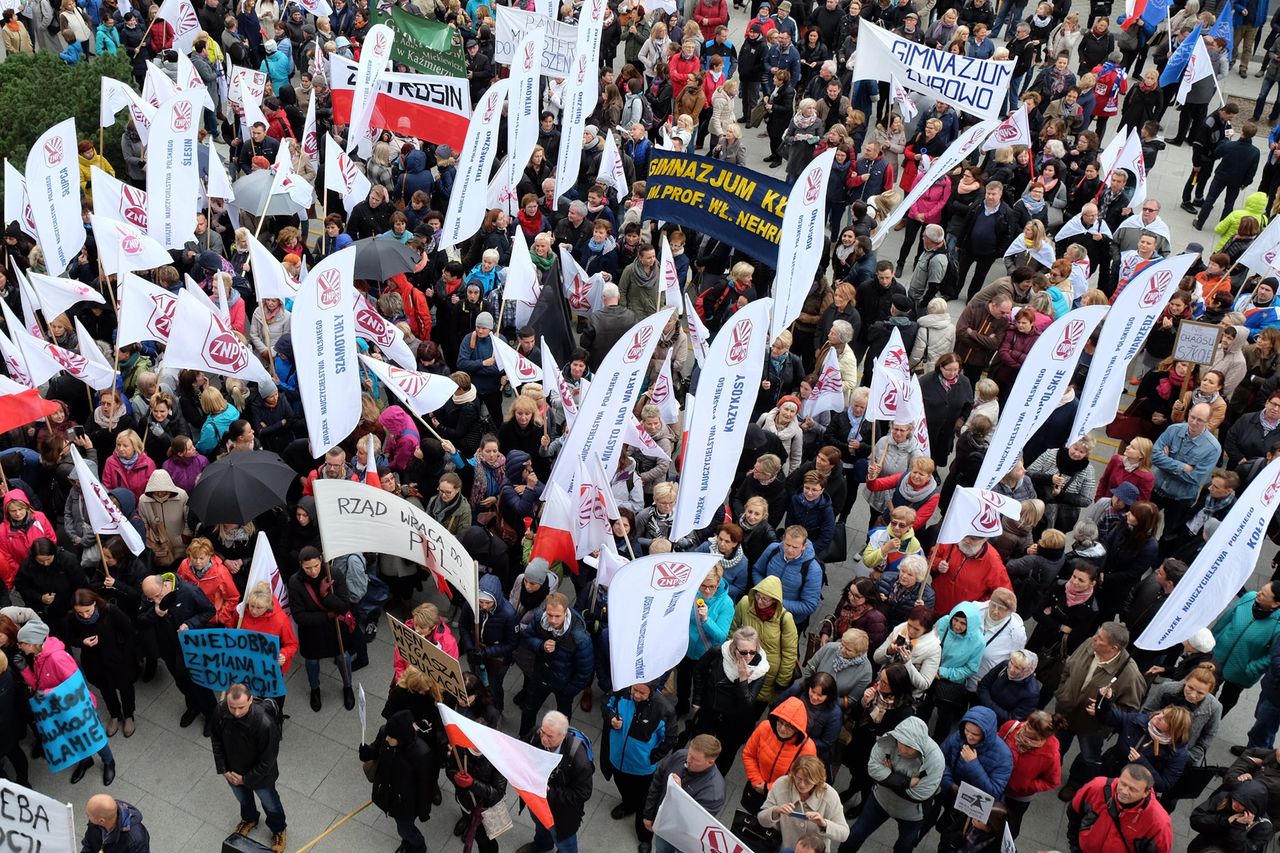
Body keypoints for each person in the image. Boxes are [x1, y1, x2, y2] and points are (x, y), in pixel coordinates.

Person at [16, 620, 116, 785]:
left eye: (22, 643)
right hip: (59, 708)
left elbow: (75, 686)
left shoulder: (57, 658)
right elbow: (38, 685)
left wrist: (46, 692)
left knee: (91, 736)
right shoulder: (37, 656)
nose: (20, 647)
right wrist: (25, 670)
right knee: (74, 736)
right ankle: (85, 760)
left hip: (77, 709)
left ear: (32, 643)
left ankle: (108, 761)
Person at [1055, 622, 1148, 799]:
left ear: (1113, 648)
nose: (1093, 639)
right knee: (1056, 745)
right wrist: (1063, 692)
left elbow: (1130, 711)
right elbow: (1068, 668)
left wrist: (1105, 710)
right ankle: (1049, 770)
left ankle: (1075, 783)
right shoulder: (1089, 645)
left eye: (1099, 639)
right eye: (1096, 634)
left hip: (1093, 727)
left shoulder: (1130, 675)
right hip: (1065, 712)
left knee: (1088, 757)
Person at [837, 716, 943, 853]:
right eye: (901, 743)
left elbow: (920, 794)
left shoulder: (935, 759)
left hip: (911, 814)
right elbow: (873, 769)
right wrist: (907, 782)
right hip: (881, 800)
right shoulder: (889, 739)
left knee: (904, 846)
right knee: (857, 833)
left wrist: (888, 775)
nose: (904, 750)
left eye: (910, 747)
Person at [210, 684, 287, 853]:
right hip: (232, 770)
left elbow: (268, 760)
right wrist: (224, 769)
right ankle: (249, 819)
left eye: (241, 707)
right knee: (243, 799)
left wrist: (245, 779)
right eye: (232, 707)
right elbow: (216, 740)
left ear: (251, 700)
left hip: (261, 777)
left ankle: (278, 828)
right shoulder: (220, 711)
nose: (236, 713)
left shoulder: (264, 723)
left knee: (270, 803)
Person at [139, 573, 218, 733]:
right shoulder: (149, 596)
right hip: (168, 646)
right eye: (151, 598)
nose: (155, 601)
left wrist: (189, 624)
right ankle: (193, 706)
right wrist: (154, 613)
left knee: (199, 680)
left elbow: (209, 611)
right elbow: (141, 620)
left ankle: (212, 714)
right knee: (181, 680)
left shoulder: (189, 592)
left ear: (165, 586)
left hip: (191, 646)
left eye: (158, 596)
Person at [603, 680, 676, 850]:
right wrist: (610, 717)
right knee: (623, 786)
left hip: (642, 769)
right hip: (617, 759)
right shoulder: (621, 691)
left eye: (642, 693)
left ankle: (644, 837)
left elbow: (670, 738)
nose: (636, 695)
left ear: (652, 691)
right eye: (634, 689)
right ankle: (628, 805)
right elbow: (606, 704)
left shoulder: (663, 710)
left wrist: (653, 757)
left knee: (645, 803)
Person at [518, 592, 595, 739]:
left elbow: (585, 670)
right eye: (550, 615)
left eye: (557, 616)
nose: (552, 620)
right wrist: (541, 645)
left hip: (563, 683)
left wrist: (569, 690)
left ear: (565, 612)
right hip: (541, 675)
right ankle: (525, 739)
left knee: (562, 718)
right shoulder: (540, 618)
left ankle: (561, 742)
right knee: (528, 710)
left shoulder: (579, 637)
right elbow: (528, 636)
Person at [287, 547, 355, 713]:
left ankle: (348, 686)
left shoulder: (334, 574)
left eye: (316, 566)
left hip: (335, 629)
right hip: (312, 633)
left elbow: (344, 605)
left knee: (342, 657)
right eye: (308, 568)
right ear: (301, 565)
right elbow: (299, 617)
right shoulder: (295, 582)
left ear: (321, 560)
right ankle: (315, 689)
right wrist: (327, 615)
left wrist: (326, 596)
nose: (313, 571)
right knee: (311, 662)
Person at [63, 589, 137, 738]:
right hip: (95, 662)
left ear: (95, 603)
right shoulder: (72, 618)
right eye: (80, 612)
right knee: (106, 690)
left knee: (125, 688)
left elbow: (129, 631)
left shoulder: (110, 611)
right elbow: (69, 638)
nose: (85, 615)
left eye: (88, 611)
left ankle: (128, 715)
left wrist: (127, 657)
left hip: (117, 658)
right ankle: (115, 714)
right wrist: (81, 642)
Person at [360, 710, 436, 853]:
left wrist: (424, 811)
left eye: (391, 737)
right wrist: (366, 753)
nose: (387, 739)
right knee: (403, 828)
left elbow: (425, 786)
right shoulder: (385, 733)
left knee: (405, 829)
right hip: (388, 792)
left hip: (406, 803)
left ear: (402, 738)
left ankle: (418, 846)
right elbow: (375, 750)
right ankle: (407, 843)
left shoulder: (421, 754)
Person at [520, 710, 594, 853]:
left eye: (550, 736)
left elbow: (582, 794)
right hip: (537, 801)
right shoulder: (536, 733)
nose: (544, 739)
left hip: (562, 814)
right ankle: (543, 844)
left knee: (565, 844)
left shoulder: (579, 760)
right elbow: (524, 750)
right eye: (543, 732)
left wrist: (550, 792)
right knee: (540, 825)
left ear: (563, 736)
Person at [645, 735, 727, 853]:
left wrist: (679, 794)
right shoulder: (680, 755)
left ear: (710, 762)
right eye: (689, 753)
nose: (688, 760)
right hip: (663, 824)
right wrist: (649, 814)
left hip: (684, 837)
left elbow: (695, 823)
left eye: (695, 759)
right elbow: (657, 782)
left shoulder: (714, 792)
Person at [1067, 764, 1173, 853]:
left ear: (1146, 792)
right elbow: (1074, 812)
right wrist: (1075, 844)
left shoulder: (1158, 823)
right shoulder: (1097, 786)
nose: (1124, 791)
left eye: (1133, 789)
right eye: (1123, 783)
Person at [1212, 581, 1280, 715]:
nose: (1258, 593)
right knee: (1205, 690)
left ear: (1275, 604)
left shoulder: (1278, 625)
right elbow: (1225, 619)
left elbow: (1272, 655)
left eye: (1264, 594)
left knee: (1227, 700)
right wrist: (1213, 641)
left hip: (1241, 673)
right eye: (1261, 589)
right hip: (1217, 658)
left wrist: (1251, 669)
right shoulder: (1249, 597)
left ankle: (1212, 723)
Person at [758, 753, 850, 849]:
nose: (802, 784)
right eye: (798, 778)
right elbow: (761, 819)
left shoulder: (830, 796)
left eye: (808, 781)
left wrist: (823, 823)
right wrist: (775, 811)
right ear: (793, 773)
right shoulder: (781, 784)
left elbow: (844, 834)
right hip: (786, 848)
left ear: (818, 781)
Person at [998, 711, 1063, 838]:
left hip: (1018, 796)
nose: (1024, 726)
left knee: (1011, 825)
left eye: (1030, 727)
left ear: (1042, 735)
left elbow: (1052, 781)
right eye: (1028, 722)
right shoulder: (1010, 727)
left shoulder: (1051, 755)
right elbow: (996, 744)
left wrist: (1027, 785)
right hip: (996, 783)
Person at [1188, 780, 1273, 853]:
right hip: (1200, 847)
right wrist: (1225, 821)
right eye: (1235, 798)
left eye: (1242, 804)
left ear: (1253, 806)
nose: (1235, 804)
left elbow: (1245, 850)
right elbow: (1195, 819)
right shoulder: (1225, 798)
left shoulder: (1263, 827)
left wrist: (1239, 826)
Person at [81, 794, 150, 853]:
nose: (88, 817)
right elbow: (88, 844)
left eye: (88, 815)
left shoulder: (136, 839)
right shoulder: (95, 822)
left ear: (101, 821)